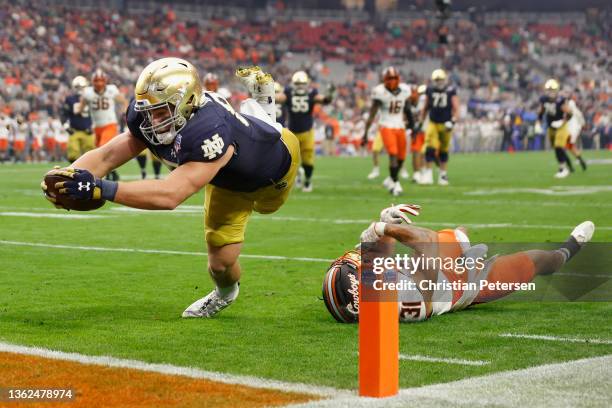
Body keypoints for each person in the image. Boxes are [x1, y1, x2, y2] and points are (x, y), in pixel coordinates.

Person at [42, 58, 300, 318]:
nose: (152, 119)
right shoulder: (151, 115)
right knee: (220, 265)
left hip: (273, 173)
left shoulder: (210, 130)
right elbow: (107, 155)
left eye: (162, 111)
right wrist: (68, 176)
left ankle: (266, 112)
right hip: (226, 182)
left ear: (187, 103)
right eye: (149, 111)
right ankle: (225, 294)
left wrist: (102, 189)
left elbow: (171, 194)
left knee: (268, 199)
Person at [322, 204, 595, 323]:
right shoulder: (402, 297)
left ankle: (462, 238)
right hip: (460, 285)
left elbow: (380, 256)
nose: (360, 260)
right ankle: (568, 250)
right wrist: (383, 227)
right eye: (358, 267)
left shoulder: (371, 300)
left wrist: (386, 226)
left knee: (458, 234)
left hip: (438, 271)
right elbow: (428, 242)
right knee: (536, 261)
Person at [276, 70, 334, 192]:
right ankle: (296, 177)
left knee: (308, 159)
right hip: (292, 132)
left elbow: (325, 100)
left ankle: (307, 181)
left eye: (302, 83)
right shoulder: (288, 92)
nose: (300, 86)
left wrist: (330, 94)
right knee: (291, 160)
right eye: (298, 84)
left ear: (306, 83)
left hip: (307, 131)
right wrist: (266, 96)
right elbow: (279, 98)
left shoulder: (312, 93)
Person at [362, 67, 413, 196]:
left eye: (394, 78)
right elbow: (372, 115)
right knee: (393, 154)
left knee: (402, 157)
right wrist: (365, 133)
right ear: (384, 79)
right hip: (386, 126)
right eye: (390, 78)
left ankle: (391, 178)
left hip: (400, 126)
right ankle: (395, 184)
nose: (392, 81)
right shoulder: (379, 92)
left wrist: (412, 125)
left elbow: (407, 109)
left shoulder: (405, 90)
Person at [78, 69, 128, 180]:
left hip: (110, 124)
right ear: (92, 82)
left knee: (103, 147)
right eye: (96, 81)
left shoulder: (112, 89)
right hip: (96, 126)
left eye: (101, 80)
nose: (99, 83)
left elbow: (123, 101)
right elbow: (81, 107)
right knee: (99, 151)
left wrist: (124, 110)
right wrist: (80, 110)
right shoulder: (87, 92)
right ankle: (112, 172)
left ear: (105, 81)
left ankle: (104, 174)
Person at [419, 69, 459, 185]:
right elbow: (426, 107)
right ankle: (428, 174)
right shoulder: (430, 90)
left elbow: (456, 108)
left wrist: (453, 121)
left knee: (444, 150)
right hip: (433, 122)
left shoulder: (451, 90)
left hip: (446, 123)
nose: (439, 82)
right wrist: (421, 121)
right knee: (430, 148)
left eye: (441, 79)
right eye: (437, 80)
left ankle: (443, 175)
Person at [537, 79, 572, 179]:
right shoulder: (544, 99)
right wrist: (538, 121)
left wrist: (563, 121)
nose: (550, 91)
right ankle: (565, 166)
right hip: (551, 126)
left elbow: (569, 113)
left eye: (552, 89)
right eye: (549, 89)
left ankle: (563, 169)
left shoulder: (560, 100)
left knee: (558, 146)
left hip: (561, 125)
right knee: (557, 148)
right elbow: (541, 111)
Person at [62, 76, 95, 163]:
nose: (80, 90)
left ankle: (90, 172)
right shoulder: (70, 99)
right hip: (74, 129)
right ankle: (75, 173)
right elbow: (64, 114)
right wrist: (66, 126)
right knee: (72, 155)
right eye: (78, 87)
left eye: (82, 87)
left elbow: (96, 113)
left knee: (91, 155)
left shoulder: (91, 98)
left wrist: (93, 126)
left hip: (88, 130)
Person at [566, 94, 587, 171]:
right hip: (573, 129)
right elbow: (580, 115)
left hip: (570, 130)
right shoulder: (574, 109)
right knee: (570, 146)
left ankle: (570, 166)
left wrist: (582, 124)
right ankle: (580, 160)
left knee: (566, 146)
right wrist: (582, 124)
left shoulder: (570, 107)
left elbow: (578, 115)